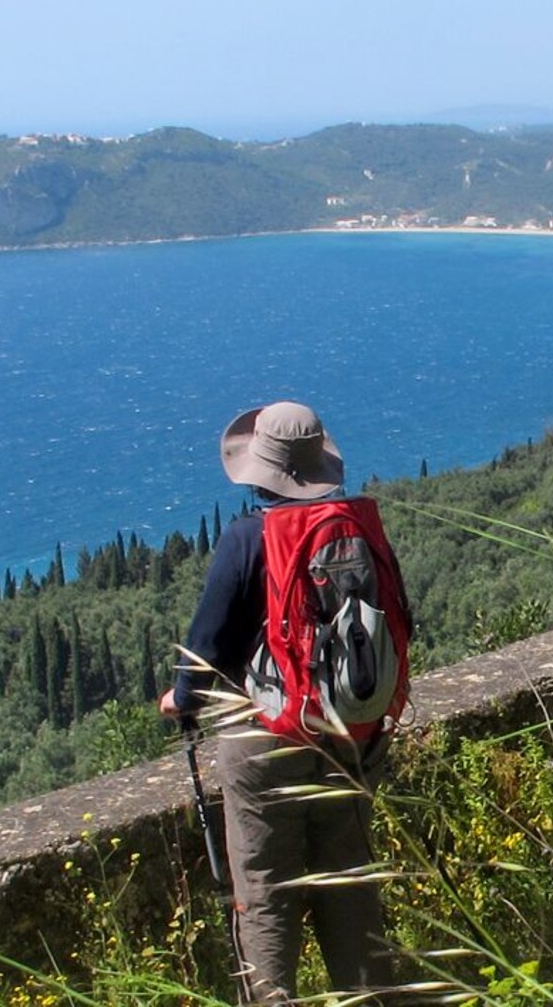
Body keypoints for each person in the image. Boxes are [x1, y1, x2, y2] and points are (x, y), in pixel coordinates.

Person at [158, 400, 392, 1002]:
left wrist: (180, 699)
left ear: (259, 469)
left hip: (266, 741)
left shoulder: (246, 539)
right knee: (351, 890)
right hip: (350, 733)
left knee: (264, 898)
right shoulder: (357, 529)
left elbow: (204, 649)